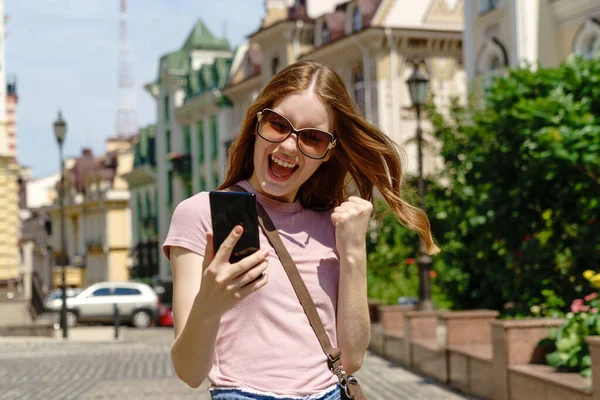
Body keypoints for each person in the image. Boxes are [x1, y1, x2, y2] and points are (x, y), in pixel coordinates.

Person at [163, 60, 439, 400]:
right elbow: (189, 373)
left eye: (312, 138)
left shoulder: (333, 224)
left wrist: (353, 252)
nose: (289, 147)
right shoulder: (201, 214)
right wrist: (210, 302)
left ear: (327, 152)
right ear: (256, 123)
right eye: (279, 125)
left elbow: (351, 360)